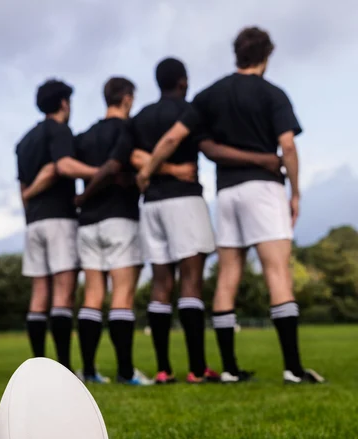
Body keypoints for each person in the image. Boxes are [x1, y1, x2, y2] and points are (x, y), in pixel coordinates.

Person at [137, 31, 325, 385]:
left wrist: (147, 171)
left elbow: (174, 137)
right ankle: (294, 369)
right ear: (266, 56)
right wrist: (296, 192)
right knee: (278, 274)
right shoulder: (273, 94)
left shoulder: (211, 94)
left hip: (226, 193)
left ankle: (228, 368)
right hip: (264, 188)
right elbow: (288, 147)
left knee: (227, 278)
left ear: (236, 55)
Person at [73, 77, 153, 385]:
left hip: (87, 223)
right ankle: (125, 372)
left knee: (93, 294)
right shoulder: (128, 130)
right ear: (127, 99)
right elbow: (120, 167)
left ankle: (90, 372)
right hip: (119, 217)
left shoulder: (84, 136)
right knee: (122, 294)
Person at [16, 79, 98, 371]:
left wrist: (28, 205)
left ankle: (37, 366)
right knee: (63, 293)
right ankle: (63, 367)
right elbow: (61, 167)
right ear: (64, 103)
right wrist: (99, 172)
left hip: (33, 222)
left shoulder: (24, 141)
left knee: (39, 294)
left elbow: (22, 186)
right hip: (59, 219)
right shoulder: (59, 130)